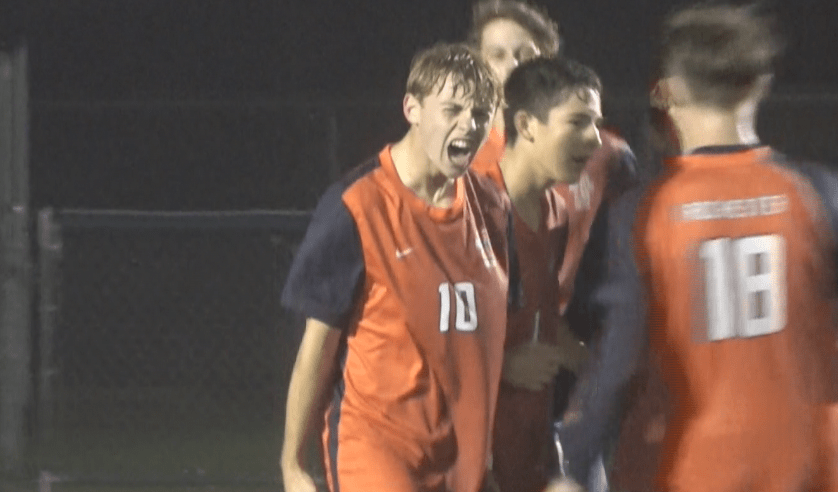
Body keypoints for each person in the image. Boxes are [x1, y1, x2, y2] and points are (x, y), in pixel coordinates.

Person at [552, 4, 838, 492]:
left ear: (670, 92)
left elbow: (617, 361)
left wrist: (573, 465)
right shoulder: (817, 194)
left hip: (690, 470)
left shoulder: (644, 212)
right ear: (759, 85)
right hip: (808, 466)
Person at [280, 43, 510, 492]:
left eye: (481, 113)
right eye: (453, 109)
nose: (469, 124)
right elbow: (317, 347)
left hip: (463, 465)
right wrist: (293, 463)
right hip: (377, 452)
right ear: (412, 109)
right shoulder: (357, 205)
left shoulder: (493, 208)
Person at [467, 2, 637, 491]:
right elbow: (431, 330)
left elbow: (555, 315)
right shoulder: (466, 180)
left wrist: (606, 366)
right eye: (497, 55)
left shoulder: (588, 175)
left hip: (552, 402)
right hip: (480, 414)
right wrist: (503, 365)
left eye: (524, 52)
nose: (511, 65)